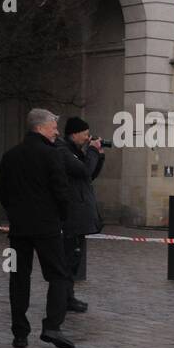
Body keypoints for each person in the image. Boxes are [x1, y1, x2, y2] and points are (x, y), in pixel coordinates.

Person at [0, 108, 75, 348]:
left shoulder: (10, 155)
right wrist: (62, 217)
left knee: (19, 279)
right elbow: (62, 192)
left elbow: (1, 192)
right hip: (47, 228)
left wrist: (15, 213)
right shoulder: (52, 155)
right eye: (53, 127)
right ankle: (52, 326)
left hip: (19, 230)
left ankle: (20, 333)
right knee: (58, 275)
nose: (57, 132)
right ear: (40, 128)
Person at [56, 117, 105, 313]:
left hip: (78, 216)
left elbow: (89, 175)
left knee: (74, 259)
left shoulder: (75, 152)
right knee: (69, 259)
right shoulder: (64, 151)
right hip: (71, 216)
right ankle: (65, 298)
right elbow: (85, 170)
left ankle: (69, 296)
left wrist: (98, 155)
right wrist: (92, 150)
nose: (87, 137)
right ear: (74, 133)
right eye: (85, 133)